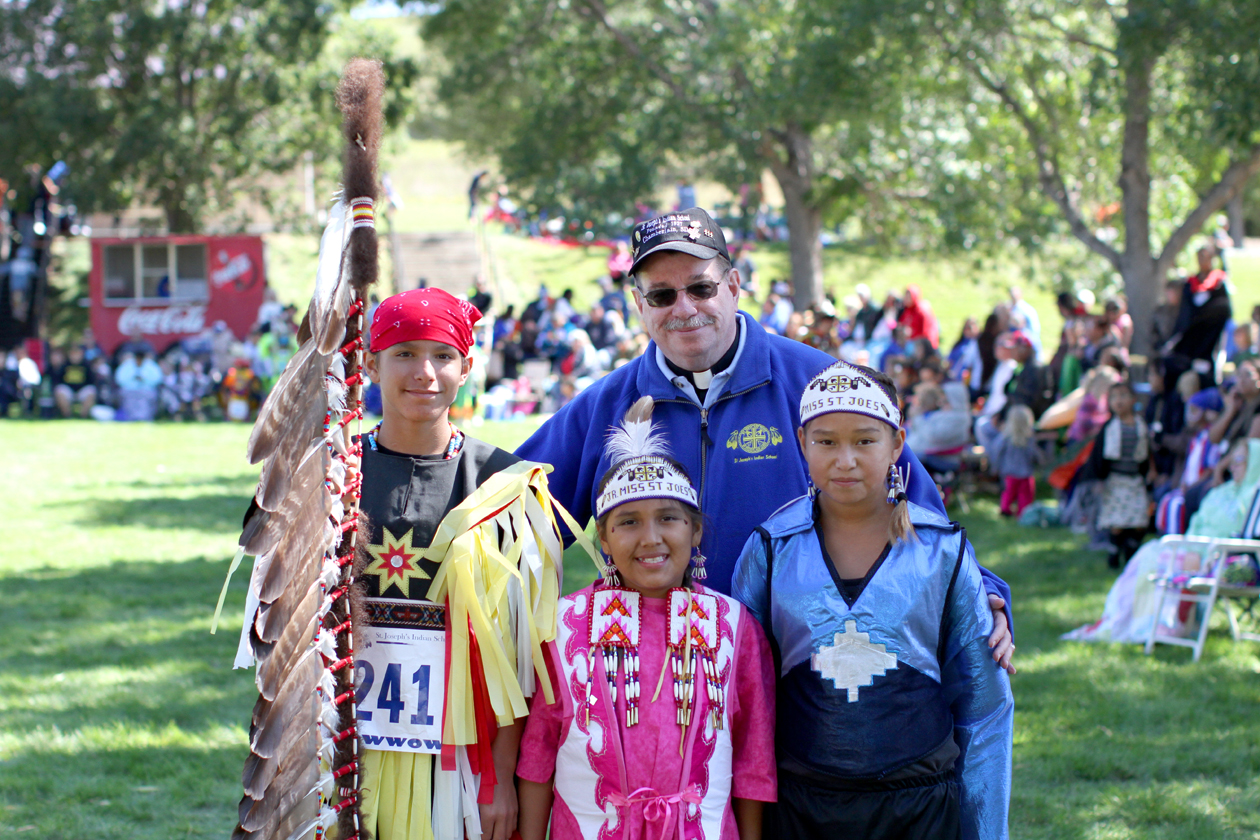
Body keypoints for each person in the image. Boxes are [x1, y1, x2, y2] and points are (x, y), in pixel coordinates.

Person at [516, 207, 1016, 671]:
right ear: (638, 305)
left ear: (734, 285)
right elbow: (509, 517)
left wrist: (983, 591)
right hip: (652, 689)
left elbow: (917, 510)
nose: (685, 308)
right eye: (662, 296)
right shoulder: (603, 406)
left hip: (798, 678)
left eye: (701, 288)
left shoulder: (821, 384)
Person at [732, 360, 1013, 839]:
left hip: (919, 809)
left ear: (897, 444)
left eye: (864, 440)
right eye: (826, 441)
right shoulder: (771, 548)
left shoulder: (941, 550)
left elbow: (983, 707)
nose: (845, 460)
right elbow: (744, 695)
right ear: (802, 443)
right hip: (801, 808)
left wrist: (984, 830)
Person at [354, 287, 573, 840]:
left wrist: (498, 777)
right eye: (404, 353)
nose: (423, 372)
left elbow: (523, 657)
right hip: (343, 747)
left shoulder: (505, 486)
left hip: (461, 759)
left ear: (467, 366)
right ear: (370, 360)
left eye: (442, 355)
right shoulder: (329, 476)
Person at [516, 398, 776, 840]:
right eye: (629, 522)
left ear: (694, 531)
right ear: (603, 537)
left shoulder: (732, 626)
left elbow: (754, 761)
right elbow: (539, 754)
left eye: (669, 519)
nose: (650, 538)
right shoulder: (564, 626)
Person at [1087, 381, 1150, 567]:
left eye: (1123, 396)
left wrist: (1151, 472)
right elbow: (1098, 456)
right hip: (1116, 480)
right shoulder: (1109, 428)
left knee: (1139, 519)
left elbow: (1147, 453)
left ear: (1133, 400)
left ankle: (1131, 553)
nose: (1118, 401)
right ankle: (1114, 555)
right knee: (1117, 522)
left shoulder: (1141, 426)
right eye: (1113, 397)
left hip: (1135, 480)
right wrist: (1098, 478)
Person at [989, 404, 1043, 518]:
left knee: (1008, 493)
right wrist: (1041, 461)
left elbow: (996, 451)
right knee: (1025, 495)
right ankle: (1024, 512)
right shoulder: (1029, 440)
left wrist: (995, 467)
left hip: (1009, 472)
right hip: (1026, 473)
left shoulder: (1005, 438)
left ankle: (1005, 509)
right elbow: (1035, 455)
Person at [51, 344, 97, 417]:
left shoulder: (86, 365)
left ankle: (83, 416)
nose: (75, 356)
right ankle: (67, 416)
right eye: (73, 353)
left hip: (82, 391)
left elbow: (92, 382)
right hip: (69, 391)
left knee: (92, 391)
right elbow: (58, 380)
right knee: (59, 390)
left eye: (77, 353)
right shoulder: (64, 365)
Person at [898, 284, 940, 349]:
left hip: (923, 344)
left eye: (908, 296)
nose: (905, 299)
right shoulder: (908, 309)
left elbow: (926, 333)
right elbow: (902, 324)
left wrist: (911, 334)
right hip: (909, 341)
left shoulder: (922, 311)